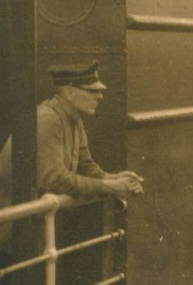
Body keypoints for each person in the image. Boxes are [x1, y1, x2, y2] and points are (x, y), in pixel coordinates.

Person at [36, 61, 144, 200]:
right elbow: (54, 180)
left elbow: (84, 167)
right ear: (70, 93)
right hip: (8, 217)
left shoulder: (74, 119)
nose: (100, 96)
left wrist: (114, 178)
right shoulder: (48, 120)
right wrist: (111, 186)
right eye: (93, 91)